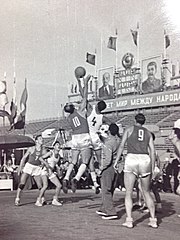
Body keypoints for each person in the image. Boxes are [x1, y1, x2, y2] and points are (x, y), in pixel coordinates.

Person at [114, 113, 158, 228]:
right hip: (144, 159)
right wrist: (152, 167)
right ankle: (153, 220)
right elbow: (152, 151)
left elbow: (121, 146)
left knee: (128, 192)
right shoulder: (148, 133)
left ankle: (129, 220)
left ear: (135, 120)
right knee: (147, 192)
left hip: (132, 158)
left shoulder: (129, 130)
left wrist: (116, 160)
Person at [77, 76, 110, 194]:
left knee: (90, 161)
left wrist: (81, 82)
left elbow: (84, 96)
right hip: (96, 138)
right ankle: (101, 182)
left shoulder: (90, 109)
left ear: (97, 105)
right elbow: (112, 125)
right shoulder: (103, 117)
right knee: (101, 161)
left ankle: (95, 182)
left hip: (87, 136)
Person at [62, 74, 92, 194]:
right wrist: (85, 83)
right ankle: (76, 178)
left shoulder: (69, 118)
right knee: (85, 161)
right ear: (74, 107)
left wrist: (78, 82)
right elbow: (84, 97)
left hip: (75, 137)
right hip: (84, 135)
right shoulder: (80, 112)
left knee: (73, 161)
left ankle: (65, 178)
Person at [96, 123, 120, 220]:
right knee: (110, 189)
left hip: (108, 168)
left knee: (106, 190)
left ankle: (111, 212)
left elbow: (107, 160)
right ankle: (104, 208)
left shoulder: (108, 143)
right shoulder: (118, 141)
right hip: (116, 167)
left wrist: (100, 169)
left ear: (108, 131)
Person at [14, 134, 46, 206]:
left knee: (40, 185)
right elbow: (24, 158)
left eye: (42, 139)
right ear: (37, 141)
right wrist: (20, 167)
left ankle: (42, 199)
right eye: (40, 139)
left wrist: (43, 164)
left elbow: (45, 160)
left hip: (37, 167)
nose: (42, 140)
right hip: (29, 166)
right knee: (22, 183)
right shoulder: (31, 148)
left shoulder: (43, 150)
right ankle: (17, 198)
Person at [39, 141, 62, 206]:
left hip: (51, 172)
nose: (59, 146)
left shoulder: (59, 156)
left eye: (59, 145)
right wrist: (46, 164)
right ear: (54, 147)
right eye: (57, 145)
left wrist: (59, 170)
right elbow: (40, 158)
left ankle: (55, 200)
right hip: (45, 171)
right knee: (45, 186)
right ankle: (39, 200)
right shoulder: (50, 153)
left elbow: (56, 165)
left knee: (59, 185)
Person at [168, 119, 180, 216]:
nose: (170, 133)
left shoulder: (178, 145)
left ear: (176, 134)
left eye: (172, 131)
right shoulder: (175, 146)